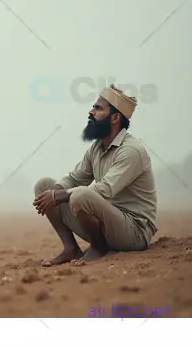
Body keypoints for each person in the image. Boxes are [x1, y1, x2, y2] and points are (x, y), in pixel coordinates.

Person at [33, 84, 157, 266]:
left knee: (81, 195)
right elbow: (75, 178)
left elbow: (103, 190)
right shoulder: (97, 148)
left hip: (134, 233)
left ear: (115, 118)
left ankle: (99, 248)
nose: (90, 112)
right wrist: (52, 193)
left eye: (98, 108)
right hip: (107, 222)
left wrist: (57, 197)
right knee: (44, 185)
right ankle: (70, 249)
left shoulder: (131, 151)